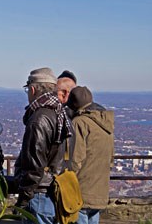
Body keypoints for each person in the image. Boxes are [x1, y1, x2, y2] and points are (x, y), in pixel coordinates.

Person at [14, 67, 74, 224]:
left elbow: (34, 165)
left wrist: (23, 199)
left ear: (33, 89)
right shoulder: (59, 112)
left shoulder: (39, 119)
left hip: (39, 194)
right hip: (53, 189)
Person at [66, 86, 114, 224]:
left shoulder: (80, 123)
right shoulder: (106, 123)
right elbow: (111, 158)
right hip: (100, 191)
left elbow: (75, 159)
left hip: (82, 191)